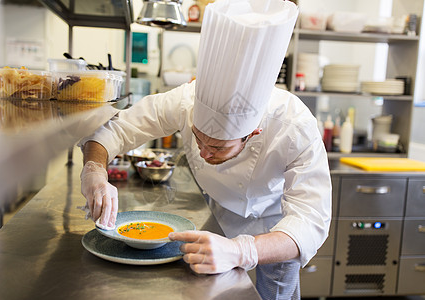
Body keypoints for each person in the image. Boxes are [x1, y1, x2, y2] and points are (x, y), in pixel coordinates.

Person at [79, 0, 331, 299]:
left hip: (277, 224)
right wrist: (94, 170)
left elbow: (311, 220)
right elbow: (115, 130)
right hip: (219, 211)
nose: (203, 152)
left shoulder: (295, 125)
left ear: (253, 133)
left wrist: (242, 250)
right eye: (198, 138)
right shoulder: (186, 100)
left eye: (218, 147)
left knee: (275, 294)